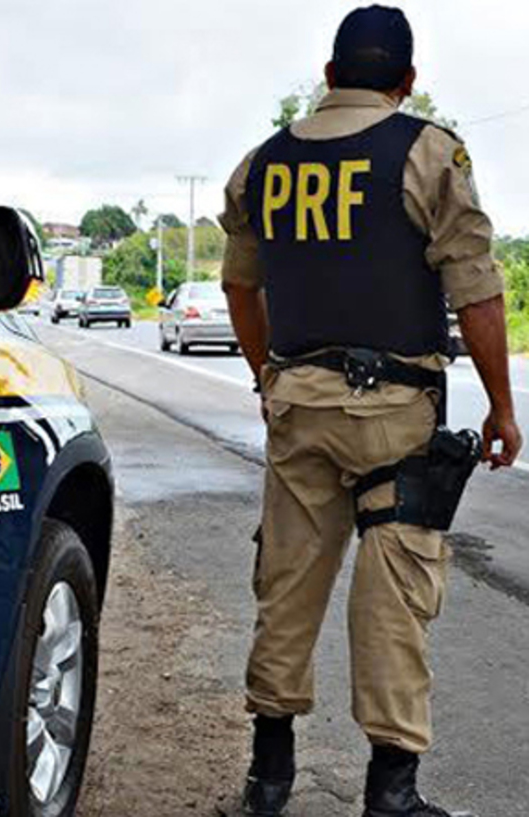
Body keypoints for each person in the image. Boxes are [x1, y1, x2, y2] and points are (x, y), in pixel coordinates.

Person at [219, 6, 522, 817]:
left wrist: (269, 378)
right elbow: (477, 287)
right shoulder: (426, 151)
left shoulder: (262, 164)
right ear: (407, 81)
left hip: (298, 405)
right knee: (395, 596)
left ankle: (269, 780)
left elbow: (240, 288)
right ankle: (392, 793)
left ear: (328, 75)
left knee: (285, 584)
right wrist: (501, 404)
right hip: (393, 412)